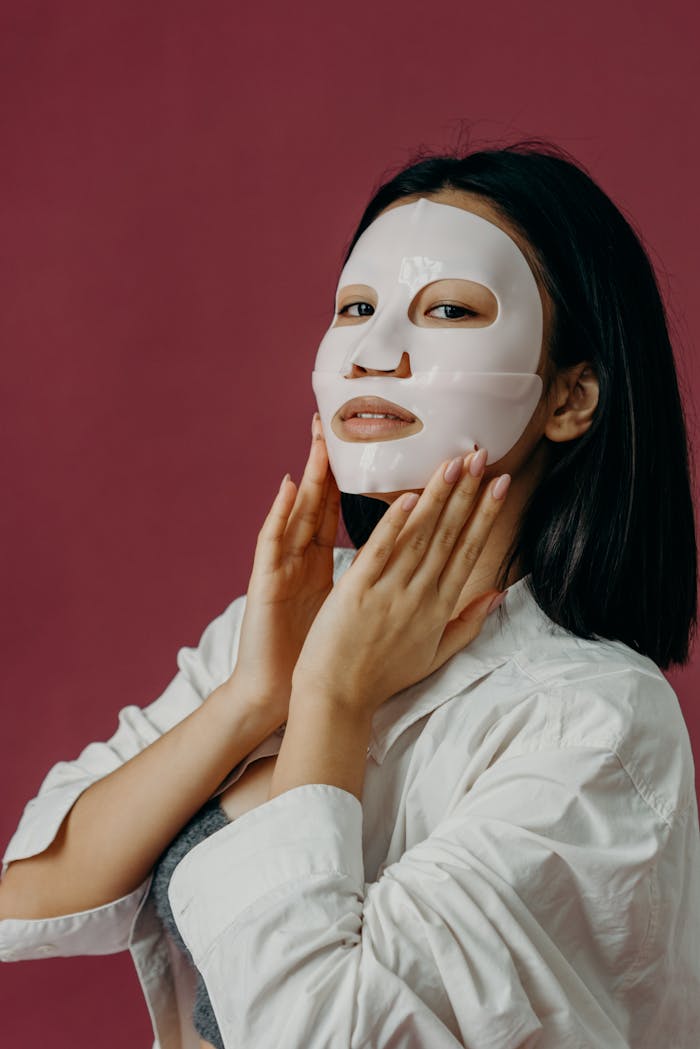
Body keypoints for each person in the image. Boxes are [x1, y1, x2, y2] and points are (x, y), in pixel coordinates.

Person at [1, 141, 699, 1049]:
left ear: (571, 397)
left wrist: (331, 699)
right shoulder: (287, 626)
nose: (376, 353)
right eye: (357, 309)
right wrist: (254, 695)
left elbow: (321, 1033)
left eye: (449, 309)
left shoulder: (597, 726)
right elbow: (30, 897)